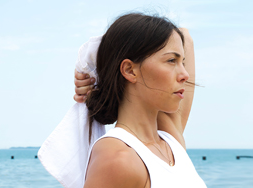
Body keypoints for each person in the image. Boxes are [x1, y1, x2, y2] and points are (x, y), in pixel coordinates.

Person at [73, 13, 207, 187]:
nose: (185, 75)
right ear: (129, 70)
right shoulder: (118, 159)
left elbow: (185, 37)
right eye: (171, 60)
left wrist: (96, 71)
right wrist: (92, 71)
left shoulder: (171, 142)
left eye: (183, 62)